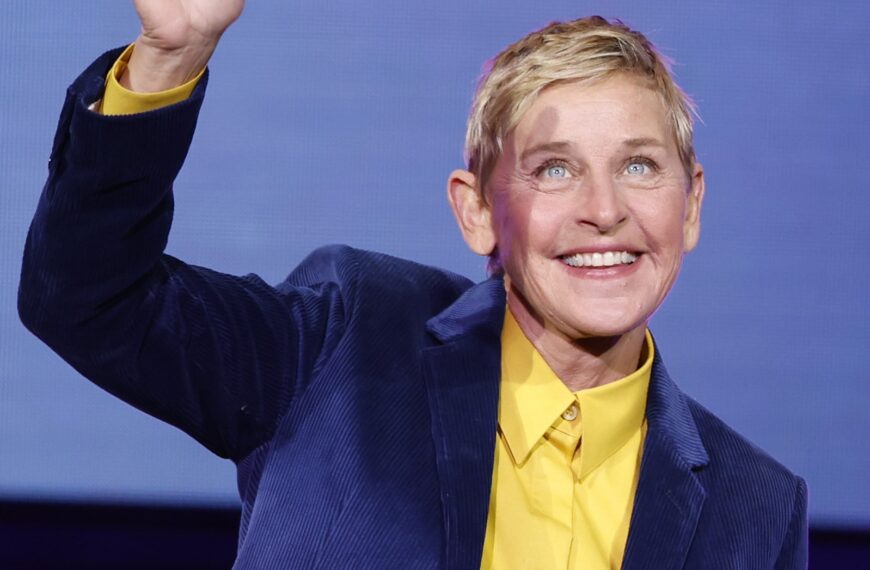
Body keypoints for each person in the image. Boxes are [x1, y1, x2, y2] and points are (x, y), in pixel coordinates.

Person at [19, 1, 807, 568]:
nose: (604, 211)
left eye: (639, 166)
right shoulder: (346, 345)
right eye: (554, 169)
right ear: (476, 213)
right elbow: (89, 297)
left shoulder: (757, 508)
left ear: (692, 203)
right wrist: (172, 59)